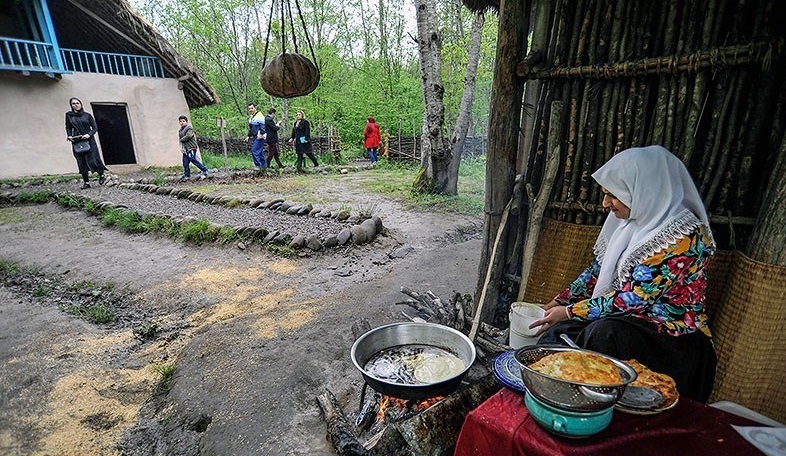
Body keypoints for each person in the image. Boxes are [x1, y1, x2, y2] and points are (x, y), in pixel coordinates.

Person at [530, 145, 717, 402]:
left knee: (602, 335)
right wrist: (559, 301)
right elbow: (597, 271)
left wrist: (572, 311)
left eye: (612, 195)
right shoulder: (628, 222)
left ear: (642, 192)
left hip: (671, 341)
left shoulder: (682, 237)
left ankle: (597, 405)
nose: (605, 203)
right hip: (630, 323)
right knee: (556, 335)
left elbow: (633, 299)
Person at [65, 97, 108, 189]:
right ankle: (86, 183)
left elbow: (95, 128)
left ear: (81, 104)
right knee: (81, 162)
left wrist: (89, 134)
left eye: (77, 103)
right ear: (71, 105)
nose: (76, 105)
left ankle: (101, 175)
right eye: (73, 103)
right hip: (77, 140)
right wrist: (69, 135)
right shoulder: (69, 115)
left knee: (93, 160)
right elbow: (68, 127)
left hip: (89, 140)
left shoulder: (87, 115)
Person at [177, 115, 209, 180]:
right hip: (185, 148)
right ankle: (187, 174)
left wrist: (181, 140)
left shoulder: (189, 129)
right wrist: (181, 148)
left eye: (183, 121)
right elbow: (180, 140)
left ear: (186, 122)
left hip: (191, 147)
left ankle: (205, 170)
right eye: (180, 121)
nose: (182, 122)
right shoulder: (180, 131)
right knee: (185, 162)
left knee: (193, 159)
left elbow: (188, 136)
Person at [244, 102, 267, 170]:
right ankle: (264, 165)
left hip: (259, 136)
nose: (250, 110)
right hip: (254, 136)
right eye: (249, 109)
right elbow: (251, 128)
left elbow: (263, 127)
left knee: (254, 150)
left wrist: (261, 134)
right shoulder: (251, 117)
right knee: (260, 151)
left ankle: (258, 165)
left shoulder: (260, 116)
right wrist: (248, 136)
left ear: (255, 108)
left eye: (252, 108)